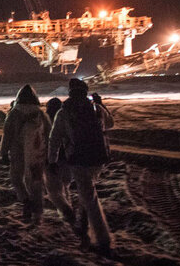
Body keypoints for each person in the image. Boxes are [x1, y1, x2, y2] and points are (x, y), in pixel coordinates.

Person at [49, 78, 113, 254]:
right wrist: (102, 105)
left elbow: (54, 139)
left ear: (70, 93)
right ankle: (84, 226)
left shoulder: (64, 112)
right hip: (98, 158)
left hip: (78, 159)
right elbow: (111, 124)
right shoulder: (95, 109)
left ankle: (102, 240)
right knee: (88, 193)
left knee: (90, 198)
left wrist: (53, 160)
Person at [0, 85, 48, 224]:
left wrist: (3, 152)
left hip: (17, 152)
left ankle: (25, 200)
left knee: (16, 178)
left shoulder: (14, 113)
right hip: (37, 154)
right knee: (36, 181)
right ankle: (38, 213)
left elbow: (7, 134)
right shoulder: (40, 114)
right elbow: (48, 133)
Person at [43, 97, 74, 223]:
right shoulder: (67, 119)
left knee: (54, 191)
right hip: (68, 159)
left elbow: (50, 142)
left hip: (52, 160)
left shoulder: (44, 122)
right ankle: (67, 211)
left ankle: (66, 211)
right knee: (65, 186)